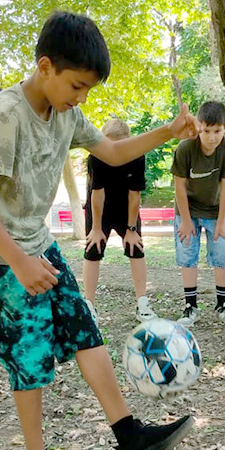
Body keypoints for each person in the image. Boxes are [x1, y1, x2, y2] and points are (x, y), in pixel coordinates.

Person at [0, 11, 199, 450]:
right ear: (45, 67)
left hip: (37, 243)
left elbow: (110, 151)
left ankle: (128, 436)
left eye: (88, 89)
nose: (81, 96)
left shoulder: (65, 113)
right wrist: (19, 261)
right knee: (30, 358)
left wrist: (168, 130)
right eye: (77, 85)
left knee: (85, 329)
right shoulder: (6, 115)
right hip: (0, 255)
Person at [171, 101, 225, 326]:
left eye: (217, 131)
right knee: (187, 254)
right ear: (199, 126)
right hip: (187, 210)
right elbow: (179, 186)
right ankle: (190, 306)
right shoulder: (185, 148)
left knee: (222, 254)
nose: (212, 137)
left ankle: (223, 304)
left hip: (215, 210)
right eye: (207, 130)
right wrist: (186, 221)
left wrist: (221, 223)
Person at [82, 118, 157, 325]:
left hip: (126, 208)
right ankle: (89, 305)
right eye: (110, 144)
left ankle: (142, 304)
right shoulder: (96, 156)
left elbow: (135, 196)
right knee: (92, 250)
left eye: (120, 144)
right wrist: (96, 228)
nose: (115, 150)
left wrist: (131, 229)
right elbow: (97, 194)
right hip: (99, 209)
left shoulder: (137, 156)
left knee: (136, 248)